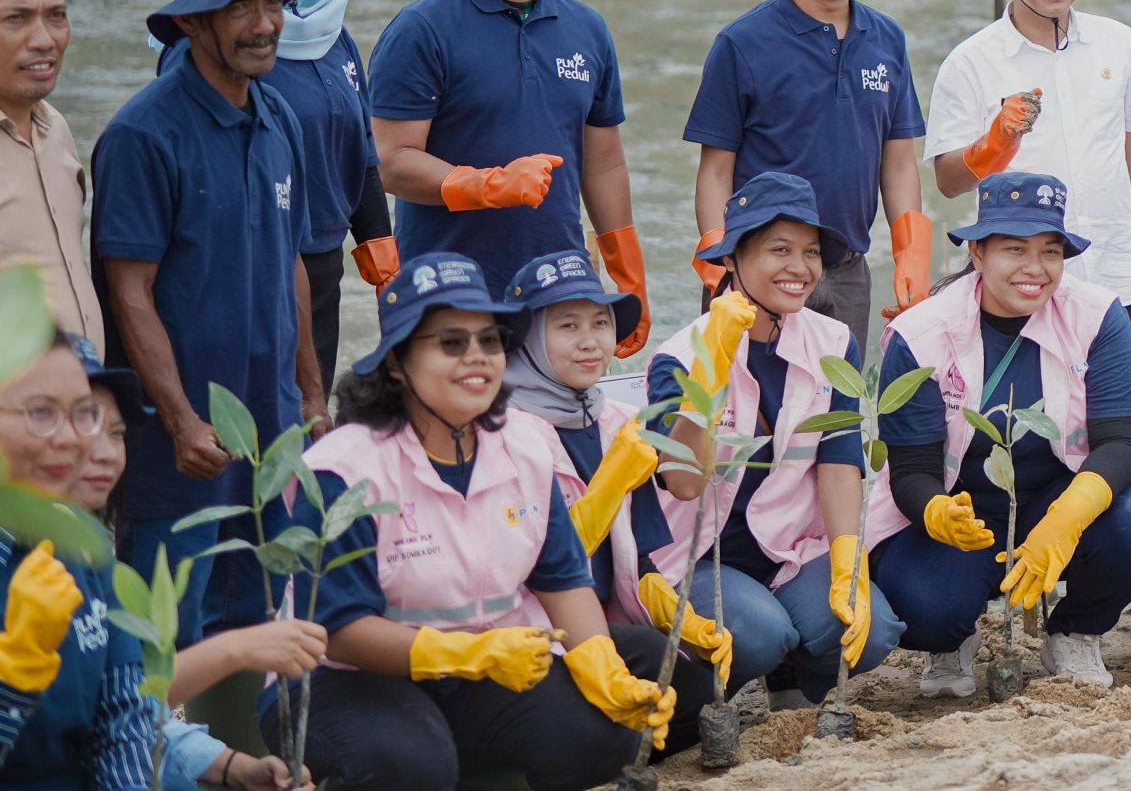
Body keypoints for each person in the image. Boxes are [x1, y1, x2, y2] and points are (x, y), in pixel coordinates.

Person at [277, 253, 680, 791]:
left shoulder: (522, 445)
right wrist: (465, 654)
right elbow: (337, 633)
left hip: (481, 661)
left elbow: (561, 580)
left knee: (603, 733)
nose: (477, 357)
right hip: (347, 678)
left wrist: (601, 666)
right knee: (411, 763)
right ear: (396, 361)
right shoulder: (342, 470)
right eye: (451, 342)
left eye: (489, 341)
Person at [91, 0, 324, 641]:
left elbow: (293, 262)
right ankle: (153, 759)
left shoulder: (279, 116)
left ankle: (249, 758)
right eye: (240, 8)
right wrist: (182, 419)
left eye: (273, 3)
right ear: (191, 21)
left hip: (270, 432)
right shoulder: (141, 135)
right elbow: (129, 292)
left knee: (261, 625)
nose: (264, 26)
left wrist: (311, 392)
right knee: (165, 637)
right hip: (180, 448)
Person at [869, 173, 1131, 694]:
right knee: (925, 607)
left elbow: (1122, 440)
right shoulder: (920, 335)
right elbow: (912, 470)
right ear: (978, 253)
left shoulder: (1098, 316)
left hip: (1058, 493)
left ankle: (1076, 632)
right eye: (1014, 250)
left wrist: (1067, 520)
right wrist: (939, 515)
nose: (1035, 269)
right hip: (962, 510)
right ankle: (950, 643)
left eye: (1050, 252)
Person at [368, 0, 650, 353]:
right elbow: (390, 163)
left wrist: (625, 270)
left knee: (558, 428)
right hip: (449, 283)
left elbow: (603, 164)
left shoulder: (586, 28)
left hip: (560, 282)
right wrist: (485, 185)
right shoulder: (422, 29)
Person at [647, 174, 902, 707]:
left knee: (871, 629)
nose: (800, 267)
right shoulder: (679, 356)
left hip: (787, 548)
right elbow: (682, 483)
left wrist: (845, 561)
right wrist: (709, 376)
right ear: (734, 258)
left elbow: (837, 460)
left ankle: (792, 687)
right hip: (700, 557)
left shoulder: (832, 340)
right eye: (778, 250)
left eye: (810, 252)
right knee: (759, 635)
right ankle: (701, 699)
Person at [924, 0, 1131, 391]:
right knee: (1027, 430)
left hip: (1117, 271)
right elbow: (947, 182)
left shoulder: (1117, 41)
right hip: (1023, 281)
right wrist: (995, 142)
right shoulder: (969, 61)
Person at [685, 0, 932, 346]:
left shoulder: (886, 39)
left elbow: (899, 162)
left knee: (837, 415)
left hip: (846, 272)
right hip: (757, 269)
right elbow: (716, 170)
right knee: (741, 415)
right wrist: (719, 261)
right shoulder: (742, 42)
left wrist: (911, 257)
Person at [67, 336, 319, 791]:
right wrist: (232, 651)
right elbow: (84, 715)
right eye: (75, 425)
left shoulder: (89, 559)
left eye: (117, 433)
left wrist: (236, 768)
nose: (105, 452)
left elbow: (135, 716)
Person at [502, 249, 728, 719]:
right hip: (526, 626)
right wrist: (605, 488)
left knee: (695, 690)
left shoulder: (618, 421)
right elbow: (522, 569)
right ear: (526, 339)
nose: (590, 342)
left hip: (604, 616)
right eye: (567, 326)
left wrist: (674, 612)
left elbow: (638, 554)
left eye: (600, 324)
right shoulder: (501, 432)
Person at [218, 0, 396, 386]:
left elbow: (360, 146)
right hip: (254, 263)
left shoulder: (334, 31)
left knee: (312, 411)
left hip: (323, 261)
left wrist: (381, 252)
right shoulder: (224, 42)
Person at [0, 336, 160, 789]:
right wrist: (14, 674)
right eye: (42, 413)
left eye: (83, 415)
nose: (76, 440)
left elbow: (121, 722)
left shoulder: (85, 542)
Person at [0, 0, 100, 347]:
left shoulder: (54, 127)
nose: (43, 39)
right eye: (17, 18)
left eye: (56, 15)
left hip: (75, 398)